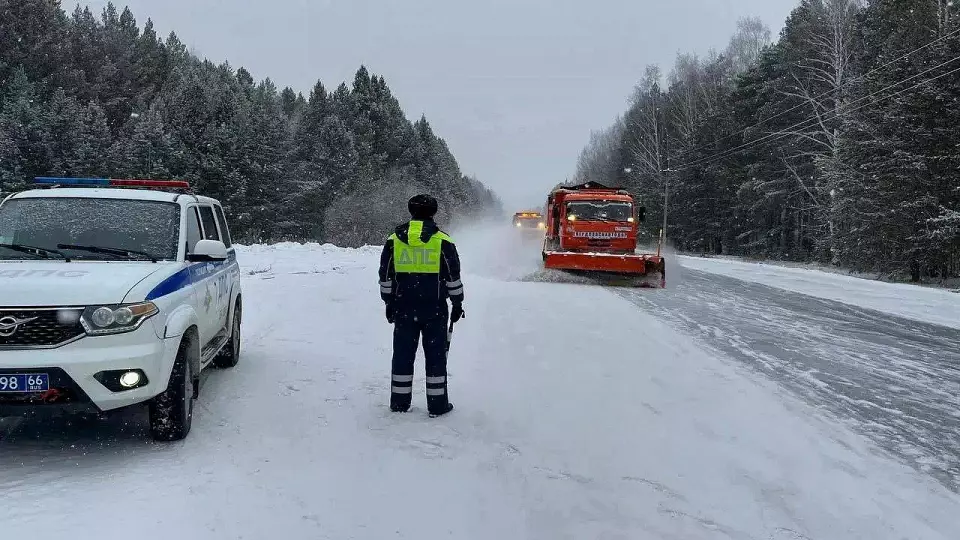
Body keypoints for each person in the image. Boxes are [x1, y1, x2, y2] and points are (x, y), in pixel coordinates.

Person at [378, 194, 464, 417]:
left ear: (411, 211)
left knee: (402, 355)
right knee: (436, 357)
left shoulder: (393, 240)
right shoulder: (443, 241)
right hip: (434, 309)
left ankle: (399, 403)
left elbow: (386, 275)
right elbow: (453, 277)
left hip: (403, 307)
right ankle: (437, 405)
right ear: (433, 213)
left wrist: (388, 302)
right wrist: (457, 303)